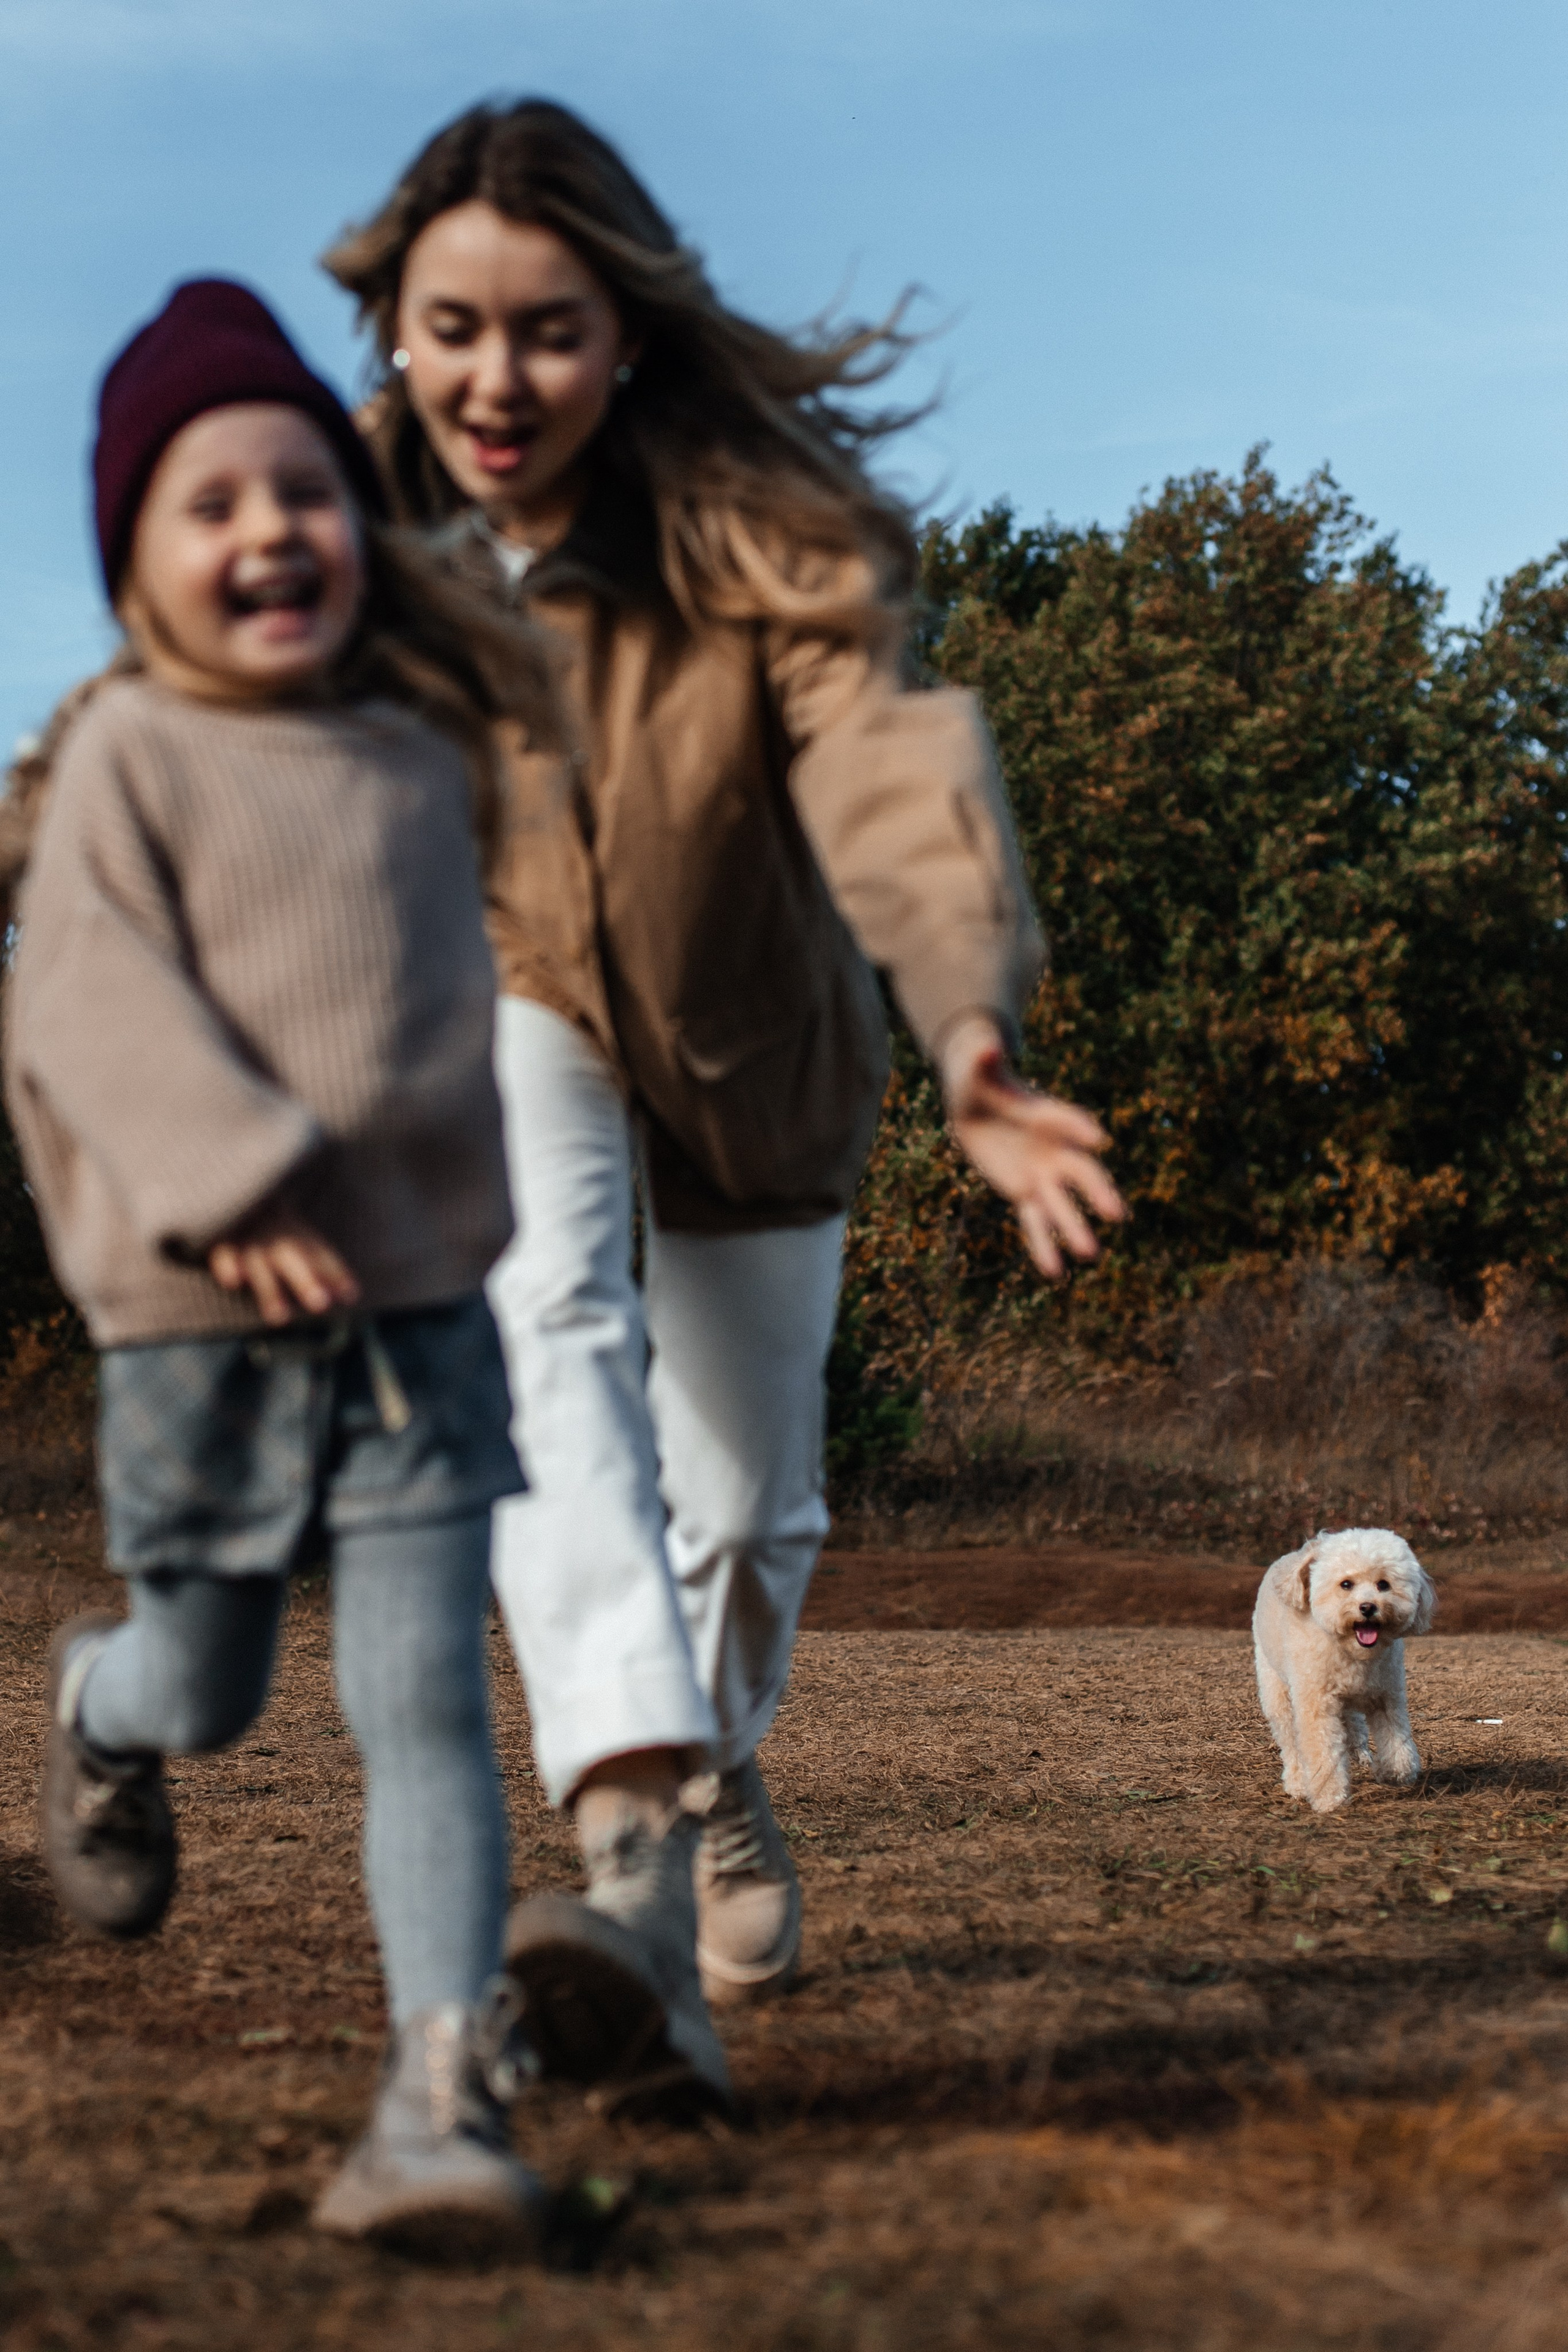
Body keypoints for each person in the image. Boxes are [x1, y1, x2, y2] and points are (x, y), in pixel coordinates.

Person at [324, 99, 1124, 2118]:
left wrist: (969, 1036)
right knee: (546, 1336)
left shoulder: (760, 527)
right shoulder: (351, 533)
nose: (499, 380)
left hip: (767, 1063)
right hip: (513, 1007)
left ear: (628, 332)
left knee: (757, 1513)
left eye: (550, 330)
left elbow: (892, 773)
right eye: (455, 328)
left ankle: (706, 1769)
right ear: (396, 327)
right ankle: (632, 1853)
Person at [3, 279, 558, 2248]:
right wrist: (236, 1186)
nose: (266, 532)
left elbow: (435, 1013)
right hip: (202, 1314)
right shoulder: (129, 761)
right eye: (209, 503)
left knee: (424, 1699)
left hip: (413, 1313)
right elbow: (82, 1001)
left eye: (302, 491)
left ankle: (439, 2089)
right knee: (217, 1685)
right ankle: (105, 1702)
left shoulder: (417, 754)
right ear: (136, 562)